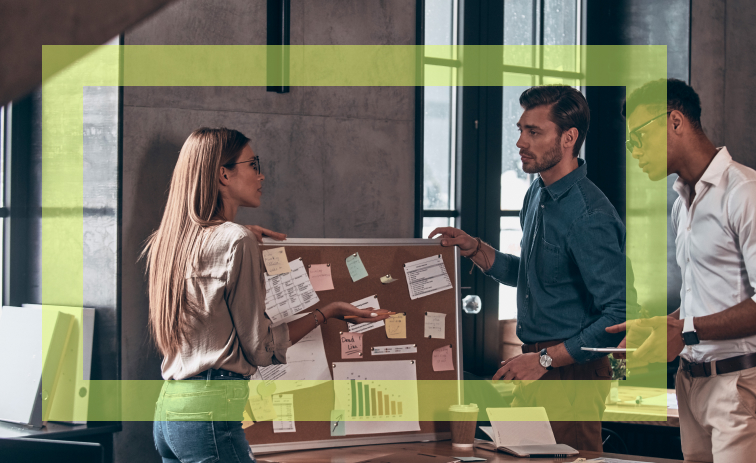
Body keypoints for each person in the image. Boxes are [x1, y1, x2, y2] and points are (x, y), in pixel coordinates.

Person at [144, 127, 392, 463]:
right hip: (211, 413)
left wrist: (241, 233)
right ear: (223, 174)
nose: (261, 175)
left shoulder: (169, 241)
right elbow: (260, 349)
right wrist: (326, 312)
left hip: (170, 410)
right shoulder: (236, 241)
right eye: (253, 164)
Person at [430, 86, 626, 451]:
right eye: (520, 129)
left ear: (568, 138)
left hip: (571, 373)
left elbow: (618, 316)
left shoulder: (590, 215)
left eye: (533, 132)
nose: (520, 141)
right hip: (534, 363)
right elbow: (536, 275)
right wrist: (476, 249)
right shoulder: (537, 193)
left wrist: (546, 360)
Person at [608, 78, 756, 462]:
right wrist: (664, 326)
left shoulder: (745, 193)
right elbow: (704, 299)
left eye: (638, 137)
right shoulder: (681, 204)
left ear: (675, 121)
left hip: (737, 385)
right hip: (689, 383)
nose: (635, 151)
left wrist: (685, 331)